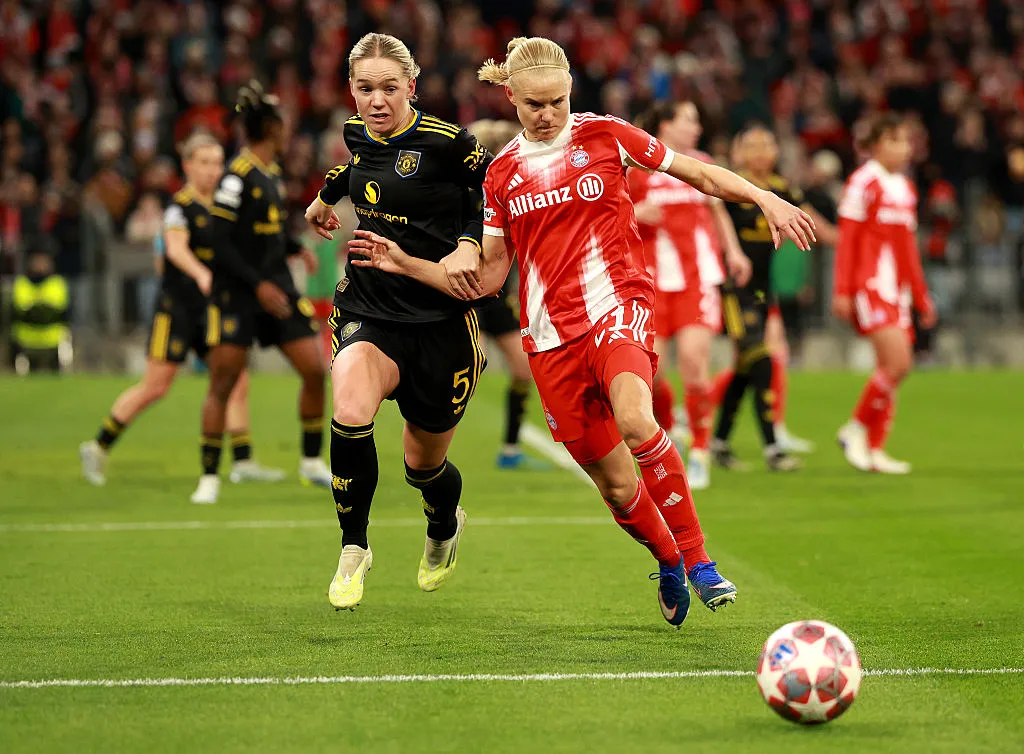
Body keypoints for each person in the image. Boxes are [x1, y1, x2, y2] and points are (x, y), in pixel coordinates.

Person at [348, 37, 816, 625]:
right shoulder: (502, 176)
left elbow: (695, 171)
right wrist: (405, 262)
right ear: (512, 99)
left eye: (558, 101)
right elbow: (490, 279)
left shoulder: (605, 134)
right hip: (549, 340)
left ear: (571, 92)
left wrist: (762, 196)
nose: (548, 114)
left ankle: (699, 562)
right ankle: (668, 559)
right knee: (618, 488)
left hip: (617, 307)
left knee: (636, 418)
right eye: (534, 104)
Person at [303, 34, 491, 610]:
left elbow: (492, 190)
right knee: (350, 410)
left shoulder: (449, 142)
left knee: (423, 465)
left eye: (389, 87)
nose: (377, 100)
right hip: (368, 305)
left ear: (412, 87)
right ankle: (353, 548)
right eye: (365, 88)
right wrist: (325, 196)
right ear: (351, 90)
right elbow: (355, 164)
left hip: (440, 318)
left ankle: (443, 525)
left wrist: (466, 244)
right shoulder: (356, 131)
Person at [80, 133, 285, 489]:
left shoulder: (225, 207)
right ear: (188, 166)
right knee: (155, 386)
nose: (211, 170)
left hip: (213, 312)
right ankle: (98, 446)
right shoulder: (180, 207)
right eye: (203, 162)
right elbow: (175, 250)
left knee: (235, 380)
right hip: (177, 313)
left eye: (217, 162)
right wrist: (202, 273)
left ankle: (242, 460)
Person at [197, 82, 332, 505]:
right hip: (241, 295)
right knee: (222, 382)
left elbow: (264, 235)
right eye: (282, 124)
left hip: (280, 291)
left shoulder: (271, 174)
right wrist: (257, 285)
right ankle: (209, 477)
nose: (287, 130)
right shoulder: (236, 177)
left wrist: (296, 250)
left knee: (314, 370)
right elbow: (218, 242)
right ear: (270, 128)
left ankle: (311, 462)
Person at [629, 101, 751, 490]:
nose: (696, 127)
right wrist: (635, 213)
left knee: (696, 368)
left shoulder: (700, 163)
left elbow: (717, 213)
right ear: (666, 124)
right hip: (652, 282)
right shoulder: (639, 165)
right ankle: (667, 434)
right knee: (655, 375)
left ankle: (699, 450)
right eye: (689, 119)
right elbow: (612, 214)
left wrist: (733, 251)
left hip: (698, 279)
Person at [710, 124, 836, 471]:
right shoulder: (731, 185)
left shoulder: (783, 189)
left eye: (767, 144)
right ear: (739, 152)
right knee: (762, 359)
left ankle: (718, 441)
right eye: (752, 145)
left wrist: (850, 240)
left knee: (746, 366)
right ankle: (772, 449)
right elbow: (712, 224)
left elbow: (815, 223)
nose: (761, 151)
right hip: (734, 288)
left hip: (764, 290)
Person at [833, 113, 936, 474]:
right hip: (870, 284)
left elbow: (908, 249)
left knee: (890, 369)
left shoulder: (905, 187)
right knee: (899, 363)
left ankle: (875, 449)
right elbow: (848, 239)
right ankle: (855, 429)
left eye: (906, 141)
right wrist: (843, 289)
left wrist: (921, 296)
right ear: (876, 145)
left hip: (899, 292)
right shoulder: (863, 182)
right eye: (894, 140)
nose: (902, 148)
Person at [467, 118, 549, 470]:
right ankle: (429, 444)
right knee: (470, 368)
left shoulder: (517, 189)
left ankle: (511, 449)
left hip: (499, 293)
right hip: (465, 291)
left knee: (522, 368)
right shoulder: (464, 193)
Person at [11, 251, 68, 374]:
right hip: (26, 338)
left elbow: (53, 311)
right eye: (37, 261)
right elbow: (23, 310)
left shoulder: (57, 282)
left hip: (52, 338)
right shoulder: (22, 282)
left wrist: (35, 304)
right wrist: (41, 304)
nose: (40, 265)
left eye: (43, 261)